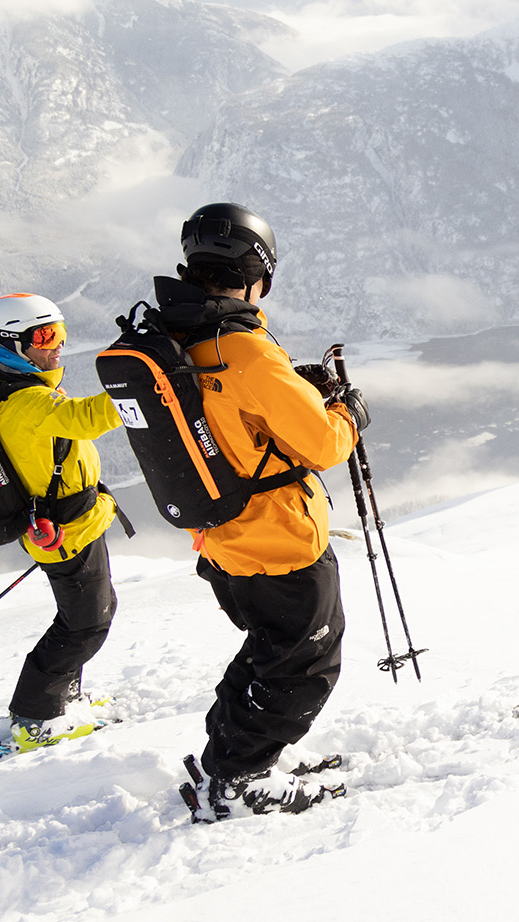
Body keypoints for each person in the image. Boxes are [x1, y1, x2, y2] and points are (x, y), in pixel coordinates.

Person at [151, 202, 369, 818]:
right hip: (279, 543)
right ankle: (238, 780)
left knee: (268, 652)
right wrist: (348, 411)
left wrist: (291, 393)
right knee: (306, 663)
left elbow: (231, 417)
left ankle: (231, 757)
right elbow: (322, 443)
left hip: (223, 538)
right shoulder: (243, 349)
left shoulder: (178, 336)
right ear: (256, 272)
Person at [0, 293, 129, 750]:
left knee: (89, 613)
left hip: (73, 523)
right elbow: (88, 417)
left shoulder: (13, 385)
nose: (58, 345)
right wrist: (144, 383)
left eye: (59, 332)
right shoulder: (25, 401)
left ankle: (63, 699)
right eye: (44, 336)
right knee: (85, 624)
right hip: (64, 532)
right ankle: (34, 716)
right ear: (11, 342)